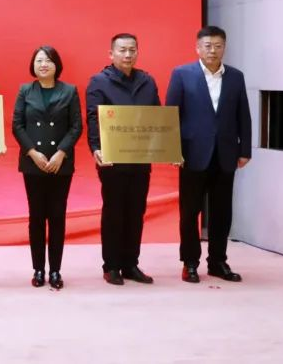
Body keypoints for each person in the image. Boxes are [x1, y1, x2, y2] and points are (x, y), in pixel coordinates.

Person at [166, 26, 251, 283]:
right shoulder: (182, 74)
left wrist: (245, 149)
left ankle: (217, 262)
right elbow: (171, 115)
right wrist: (172, 150)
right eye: (207, 45)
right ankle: (190, 263)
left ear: (224, 47)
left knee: (222, 212)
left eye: (218, 45)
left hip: (226, 154)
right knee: (189, 212)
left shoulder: (236, 76)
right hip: (192, 154)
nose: (212, 50)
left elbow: (243, 115)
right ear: (197, 48)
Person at [86, 33, 160, 286]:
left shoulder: (147, 81)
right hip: (112, 158)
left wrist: (165, 148)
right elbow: (93, 117)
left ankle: (131, 264)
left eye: (132, 50)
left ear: (137, 52)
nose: (128, 55)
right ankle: (111, 265)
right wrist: (96, 148)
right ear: (111, 54)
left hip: (141, 157)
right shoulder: (99, 82)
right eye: (122, 50)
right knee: (114, 211)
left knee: (136, 210)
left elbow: (157, 118)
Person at [11, 45, 83, 290]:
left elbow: (76, 126)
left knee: (57, 216)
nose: (43, 65)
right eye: (39, 60)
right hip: (33, 163)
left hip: (60, 163)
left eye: (48, 61)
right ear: (33, 65)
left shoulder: (69, 91)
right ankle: (38, 269)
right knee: (36, 217)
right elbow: (17, 125)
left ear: (56, 65)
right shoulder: (25, 90)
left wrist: (61, 152)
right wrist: (33, 152)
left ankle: (55, 270)